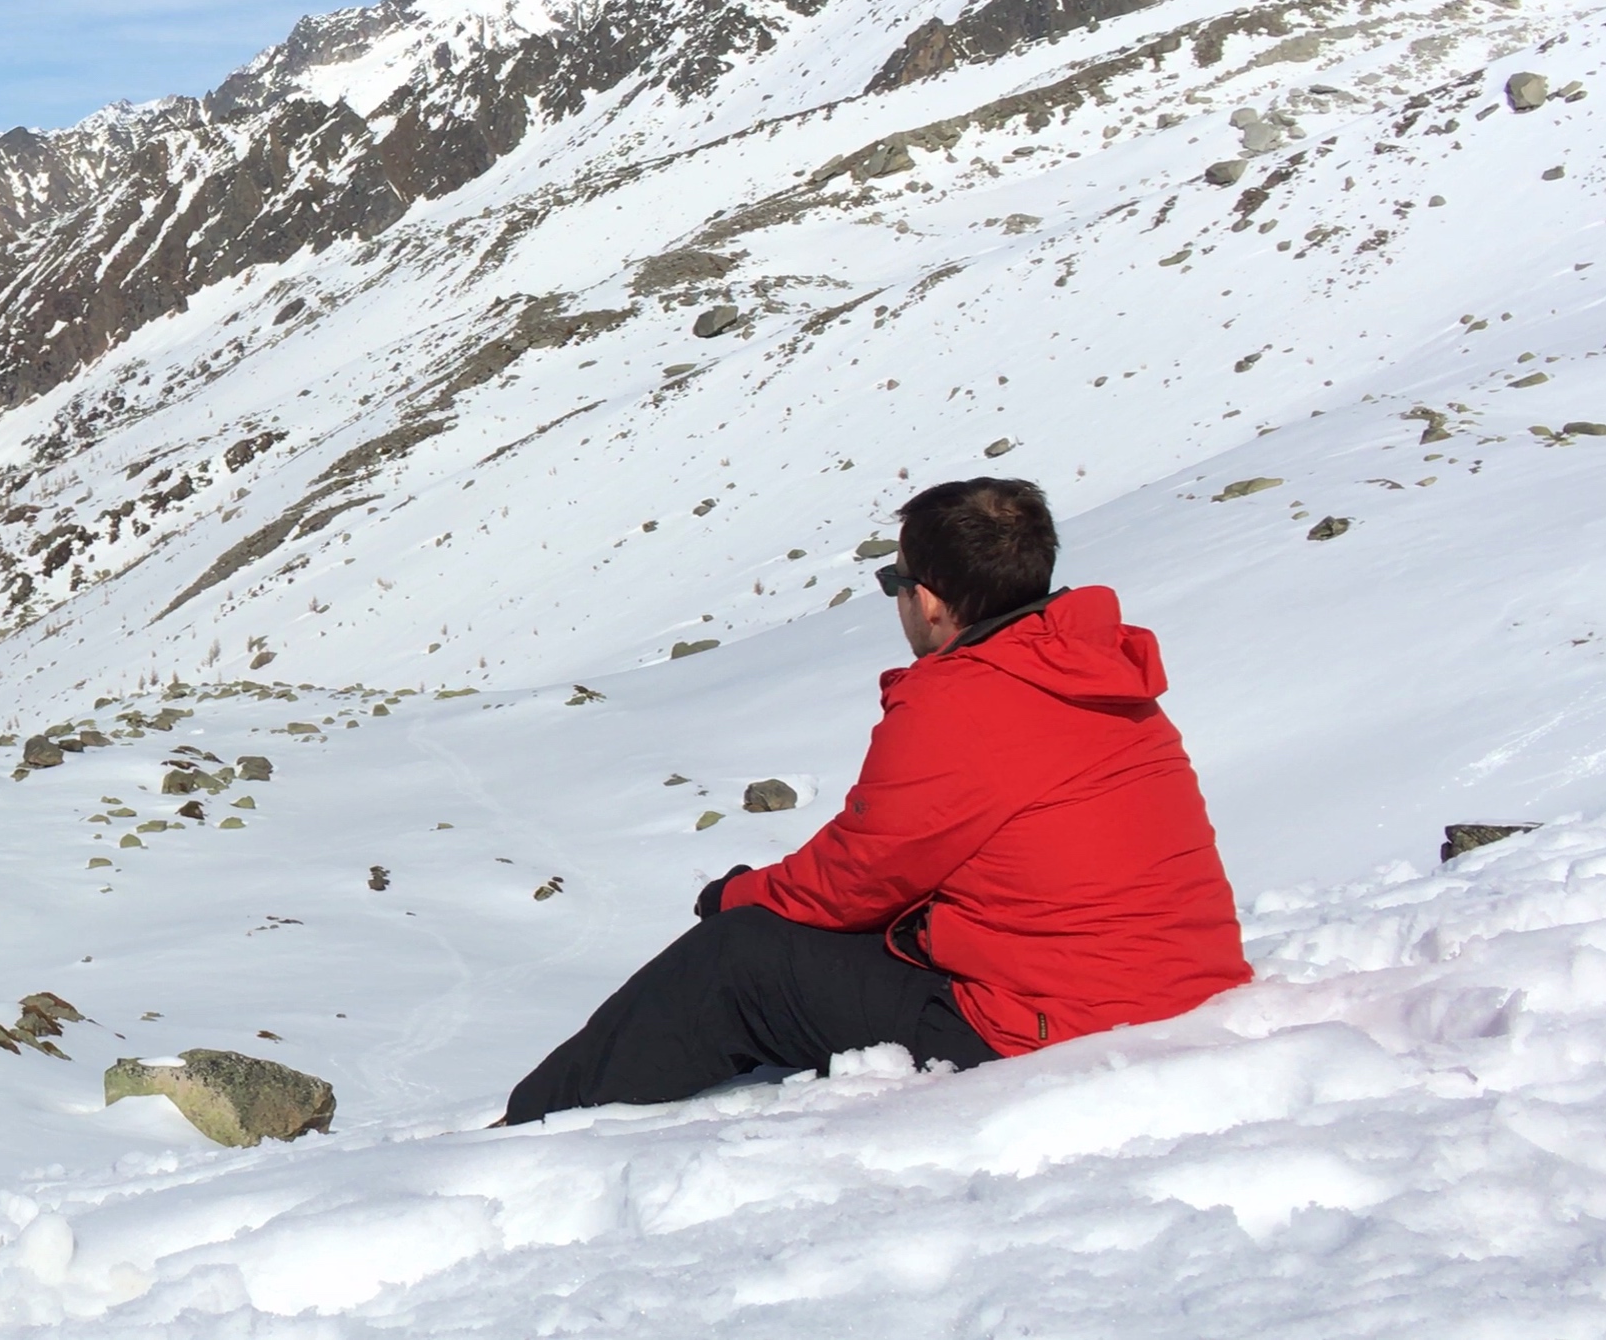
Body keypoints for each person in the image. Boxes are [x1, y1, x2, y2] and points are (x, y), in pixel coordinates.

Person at [498, 477, 1249, 1124]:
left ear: (927, 602)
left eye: (895, 583)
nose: (896, 599)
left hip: (1056, 1027)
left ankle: (535, 1133)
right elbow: (912, 845)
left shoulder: (968, 702)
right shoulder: (1091, 668)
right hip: (1174, 988)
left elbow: (858, 877)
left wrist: (736, 897)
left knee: (737, 959)